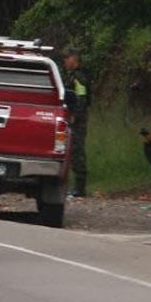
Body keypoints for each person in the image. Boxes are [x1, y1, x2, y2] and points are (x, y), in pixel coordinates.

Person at [62, 48, 89, 198]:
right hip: (74, 118)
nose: (65, 61)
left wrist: (76, 116)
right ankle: (77, 188)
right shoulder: (72, 76)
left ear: (74, 59)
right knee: (73, 151)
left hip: (78, 120)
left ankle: (80, 188)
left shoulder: (79, 77)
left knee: (77, 151)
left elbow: (82, 97)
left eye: (67, 58)